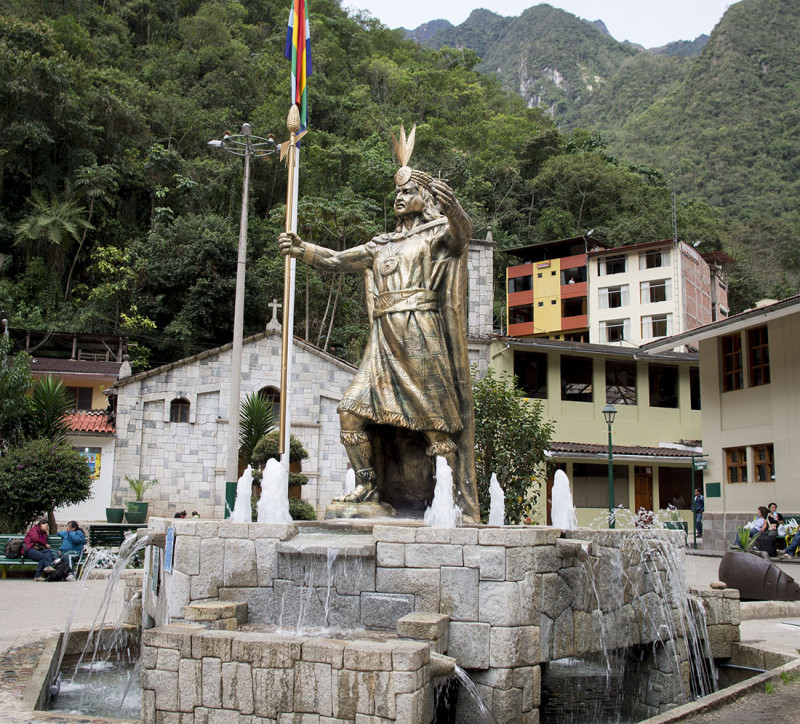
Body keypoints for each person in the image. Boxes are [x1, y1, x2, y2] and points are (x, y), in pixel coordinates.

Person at [278, 125, 480, 522]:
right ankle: (368, 485)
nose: (400, 198)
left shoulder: (437, 233)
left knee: (435, 425)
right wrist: (305, 251)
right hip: (383, 339)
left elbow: (463, 236)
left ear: (425, 198)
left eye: (408, 192)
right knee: (350, 410)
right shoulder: (381, 244)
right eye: (397, 193)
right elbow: (338, 260)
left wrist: (454, 208)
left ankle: (451, 496)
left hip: (421, 334)